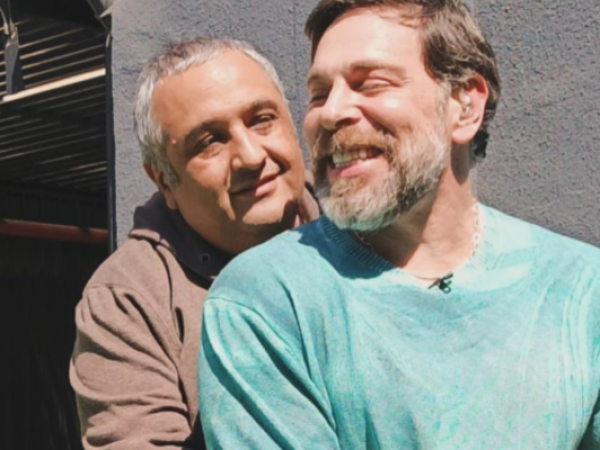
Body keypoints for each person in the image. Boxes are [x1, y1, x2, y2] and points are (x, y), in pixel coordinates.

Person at [198, 1, 600, 449]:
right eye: (318, 94)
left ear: (465, 105)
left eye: (369, 83)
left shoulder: (580, 290)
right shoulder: (267, 302)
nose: (330, 113)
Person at [69, 37, 319, 450]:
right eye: (209, 141)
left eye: (261, 120)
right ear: (164, 180)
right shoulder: (127, 300)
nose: (251, 155)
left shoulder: (363, 224)